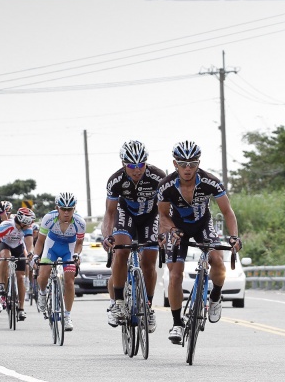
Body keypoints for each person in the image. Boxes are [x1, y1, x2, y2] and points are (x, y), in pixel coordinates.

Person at [157, 140, 242, 344]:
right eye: (183, 163)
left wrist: (234, 236)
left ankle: (215, 296)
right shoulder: (167, 185)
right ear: (175, 163)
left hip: (203, 224)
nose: (188, 168)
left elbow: (227, 211)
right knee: (175, 275)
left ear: (199, 163)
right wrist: (172, 230)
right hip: (178, 228)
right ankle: (177, 323)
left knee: (218, 261)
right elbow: (161, 215)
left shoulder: (210, 181)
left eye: (192, 164)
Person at [101, 140, 165, 332]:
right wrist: (107, 236)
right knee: (121, 252)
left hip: (151, 216)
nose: (137, 170)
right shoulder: (116, 180)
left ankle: (147, 307)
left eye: (141, 165)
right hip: (125, 215)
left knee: (149, 260)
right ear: (123, 164)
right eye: (131, 166)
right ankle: (119, 302)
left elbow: (165, 210)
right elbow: (110, 213)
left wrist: (163, 233)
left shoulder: (158, 177)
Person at [32, 192, 85, 332]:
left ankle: (67, 315)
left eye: (70, 209)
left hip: (69, 248)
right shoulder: (49, 218)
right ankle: (42, 293)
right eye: (63, 209)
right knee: (43, 274)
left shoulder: (80, 222)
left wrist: (76, 255)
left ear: (74, 209)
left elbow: (79, 243)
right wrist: (35, 256)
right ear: (57, 208)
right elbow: (40, 241)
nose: (66, 212)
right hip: (52, 247)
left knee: (69, 280)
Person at [0, 207, 35, 321]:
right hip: (5, 245)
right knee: (5, 256)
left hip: (18, 247)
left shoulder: (27, 227)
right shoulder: (6, 225)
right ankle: (1, 283)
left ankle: (21, 308)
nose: (30, 224)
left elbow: (29, 242)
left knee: (20, 277)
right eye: (29, 222)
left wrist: (30, 253)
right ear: (22, 222)